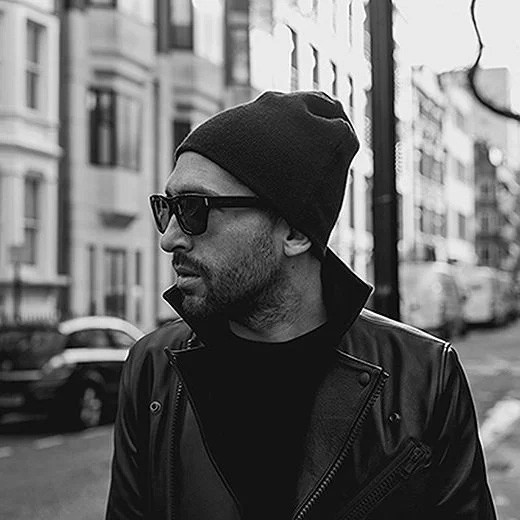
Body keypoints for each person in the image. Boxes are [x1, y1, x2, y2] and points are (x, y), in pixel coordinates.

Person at [106, 91, 496, 519]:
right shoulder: (153, 368)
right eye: (167, 208)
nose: (169, 238)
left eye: (194, 209)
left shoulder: (424, 376)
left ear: (295, 232)